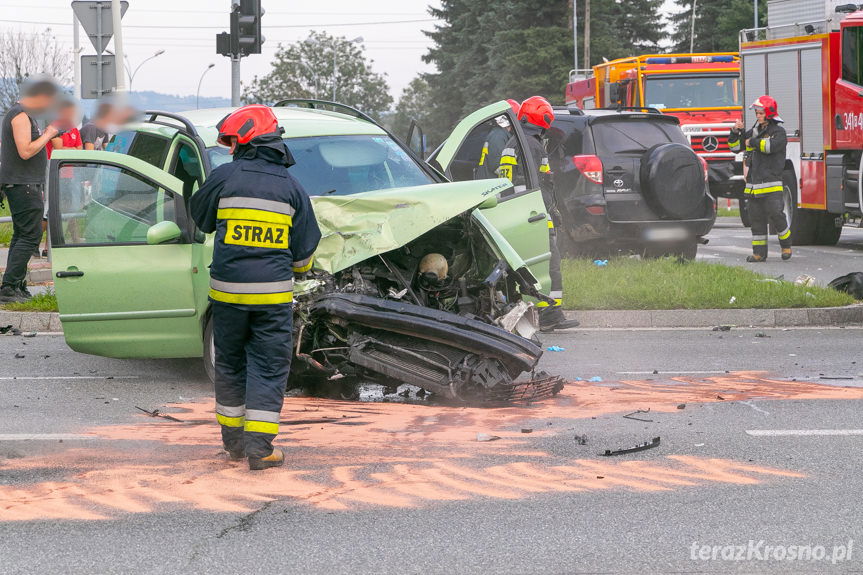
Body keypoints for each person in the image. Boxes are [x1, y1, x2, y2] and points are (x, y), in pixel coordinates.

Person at [190, 105, 321, 471]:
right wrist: (299, 267)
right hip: (271, 298)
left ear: (246, 139)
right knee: (266, 367)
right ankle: (260, 450)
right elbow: (305, 248)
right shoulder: (291, 186)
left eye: (232, 141)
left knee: (230, 364)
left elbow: (200, 218)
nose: (230, 148)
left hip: (227, 295)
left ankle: (233, 445)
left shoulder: (224, 176)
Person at [498, 95, 579, 332]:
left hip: (522, 212)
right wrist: (546, 213)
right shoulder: (530, 145)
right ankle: (550, 313)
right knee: (550, 263)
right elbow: (537, 185)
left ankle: (542, 311)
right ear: (543, 118)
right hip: (534, 214)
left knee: (534, 266)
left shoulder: (516, 142)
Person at [0, 75, 59, 301]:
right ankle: (9, 288)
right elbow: (25, 151)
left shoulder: (24, 115)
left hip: (24, 183)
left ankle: (15, 285)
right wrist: (49, 134)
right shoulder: (20, 116)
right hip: (23, 184)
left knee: (22, 236)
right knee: (30, 236)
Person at [729, 95, 791, 262]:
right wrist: (736, 132)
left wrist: (752, 142)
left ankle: (786, 246)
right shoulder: (755, 131)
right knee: (756, 220)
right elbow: (735, 148)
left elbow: (769, 147)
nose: (758, 115)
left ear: (769, 113)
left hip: (771, 184)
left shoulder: (779, 132)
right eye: (757, 112)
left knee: (776, 215)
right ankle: (759, 253)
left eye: (760, 112)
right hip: (753, 186)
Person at [42, 95, 82, 255]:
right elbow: (58, 150)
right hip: (55, 174)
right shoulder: (55, 127)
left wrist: (70, 150)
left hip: (69, 175)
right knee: (50, 211)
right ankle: (39, 245)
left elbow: (80, 151)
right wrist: (73, 150)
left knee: (71, 209)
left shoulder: (73, 129)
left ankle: (74, 240)